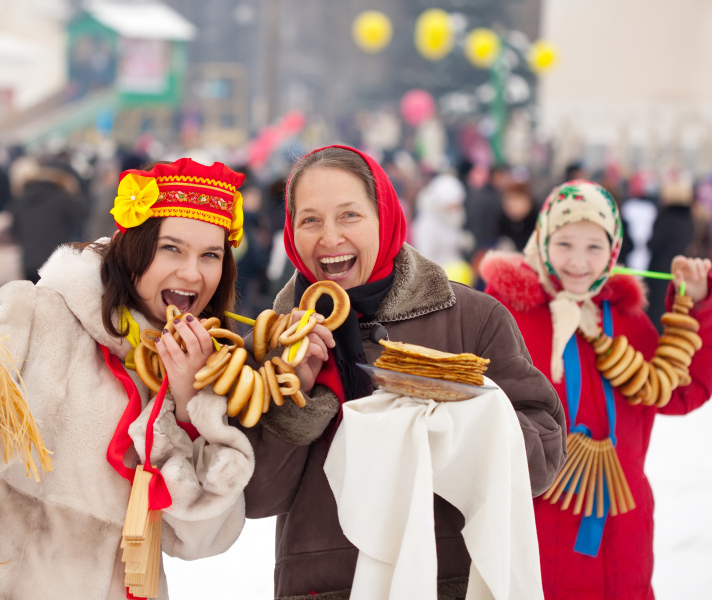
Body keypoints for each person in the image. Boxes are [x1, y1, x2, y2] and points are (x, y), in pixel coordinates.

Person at [0, 158, 256, 599]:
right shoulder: (34, 315)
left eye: (210, 255)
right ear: (134, 245)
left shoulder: (211, 370)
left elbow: (201, 538)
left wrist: (190, 399)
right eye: (171, 248)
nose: (193, 273)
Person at [241, 145, 567, 600]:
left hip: (444, 581)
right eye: (310, 219)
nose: (329, 237)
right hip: (321, 588)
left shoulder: (473, 319)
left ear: (386, 215)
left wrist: (452, 422)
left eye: (350, 215)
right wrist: (299, 396)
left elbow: (544, 459)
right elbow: (257, 497)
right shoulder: (276, 337)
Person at [480, 180, 712, 599]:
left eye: (595, 247)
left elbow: (685, 388)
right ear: (542, 241)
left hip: (620, 532)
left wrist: (698, 305)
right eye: (565, 243)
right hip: (530, 529)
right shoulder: (505, 316)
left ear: (614, 252)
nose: (579, 261)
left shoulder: (627, 322)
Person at [8, 157, 88, 283]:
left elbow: (14, 231)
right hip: (55, 262)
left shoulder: (23, 198)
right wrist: (74, 193)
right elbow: (83, 215)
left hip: (29, 262)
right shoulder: (63, 199)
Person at [646, 175, 696, 332]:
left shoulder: (665, 218)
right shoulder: (689, 220)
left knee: (656, 310)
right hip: (680, 271)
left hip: (659, 270)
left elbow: (653, 244)